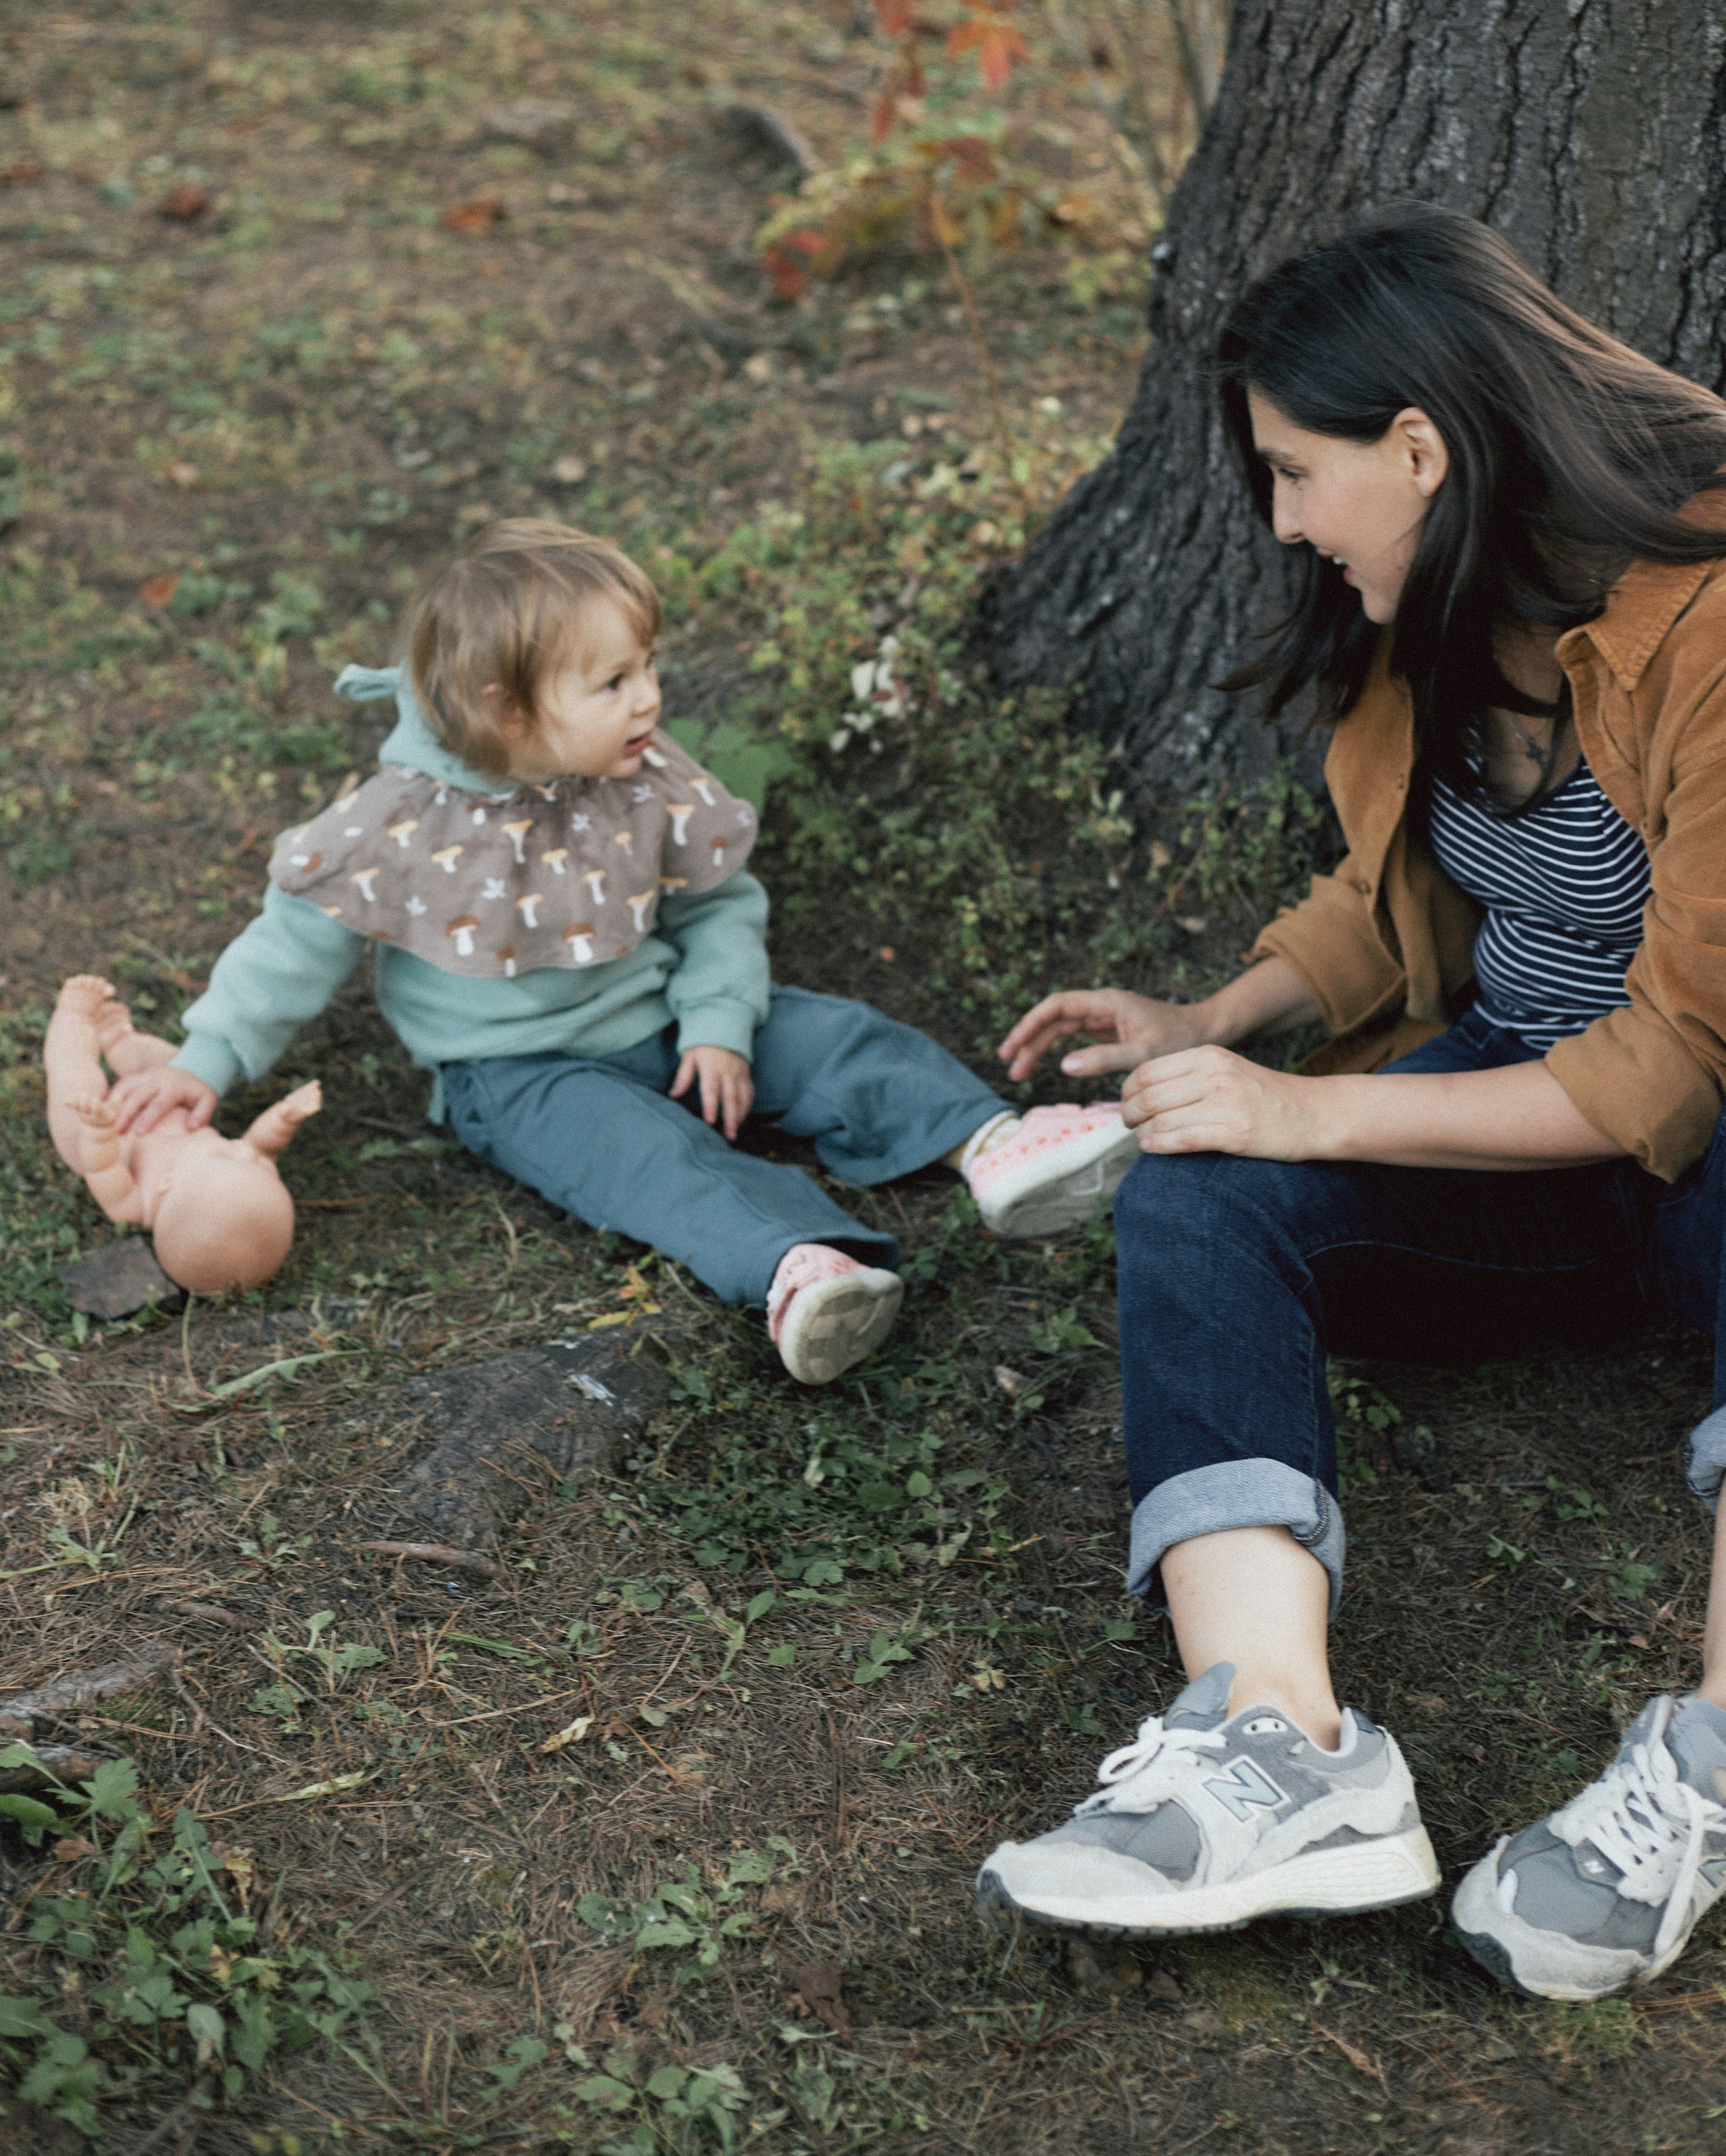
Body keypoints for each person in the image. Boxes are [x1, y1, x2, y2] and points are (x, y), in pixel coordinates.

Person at [976, 208, 1726, 2003]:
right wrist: (1219, 1024)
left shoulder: (1711, 620)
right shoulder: (1442, 595)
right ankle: (1276, 1744)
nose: (1286, 522)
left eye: (1298, 474)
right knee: (1197, 1189)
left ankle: (1707, 1775)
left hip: (1707, 1134)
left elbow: (1672, 1068)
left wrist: (1310, 1113)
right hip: (1533, 1138)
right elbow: (1388, 897)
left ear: (1420, 447)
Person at [104, 520, 1137, 1383]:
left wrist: (722, 1023)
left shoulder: (637, 772)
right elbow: (289, 950)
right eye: (612, 681)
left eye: (646, 666)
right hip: (519, 1077)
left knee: (830, 1040)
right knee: (647, 1160)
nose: (648, 698)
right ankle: (798, 1268)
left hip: (661, 1012)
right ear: (507, 713)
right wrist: (206, 1060)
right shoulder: (401, 826)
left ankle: (986, 1143)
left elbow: (718, 903)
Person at [44, 975, 320, 1292]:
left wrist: (98, 1128)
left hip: (98, 1131)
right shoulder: (244, 1163)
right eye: (263, 1170)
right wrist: (285, 1118)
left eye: (226, 1156)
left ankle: (72, 1018)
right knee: (174, 1064)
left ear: (167, 1184)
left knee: (75, 1079)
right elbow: (262, 1145)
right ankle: (119, 1039)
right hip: (165, 1100)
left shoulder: (137, 1206)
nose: (245, 1151)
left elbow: (101, 1168)